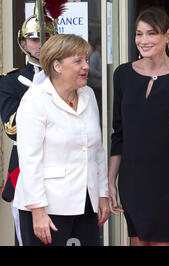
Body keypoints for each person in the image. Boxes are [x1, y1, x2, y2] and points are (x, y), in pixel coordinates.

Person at [108, 7, 169, 246]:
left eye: (151, 33)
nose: (143, 40)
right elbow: (118, 133)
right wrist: (110, 181)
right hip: (132, 180)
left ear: (167, 36)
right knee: (137, 242)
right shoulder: (122, 74)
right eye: (138, 34)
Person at [13, 34, 110, 246]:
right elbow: (29, 160)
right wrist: (37, 211)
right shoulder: (35, 100)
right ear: (57, 66)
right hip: (47, 207)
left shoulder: (88, 95)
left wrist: (102, 194)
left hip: (85, 204)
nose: (86, 66)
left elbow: (97, 151)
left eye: (86, 59)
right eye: (78, 61)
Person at [0, 0, 60, 245]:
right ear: (23, 43)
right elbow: (12, 130)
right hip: (24, 165)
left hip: (61, 163)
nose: (40, 45)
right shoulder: (12, 81)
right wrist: (34, 94)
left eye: (45, 38)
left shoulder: (65, 77)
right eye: (34, 39)